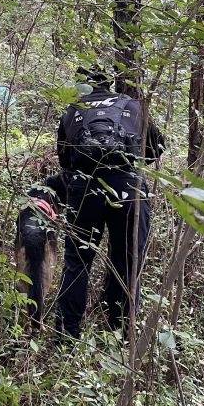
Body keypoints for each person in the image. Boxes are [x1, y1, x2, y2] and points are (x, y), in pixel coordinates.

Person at [55, 65, 165, 339]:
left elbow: (65, 161)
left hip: (85, 187)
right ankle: (120, 332)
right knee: (127, 261)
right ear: (109, 83)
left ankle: (67, 335)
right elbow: (156, 147)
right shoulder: (131, 105)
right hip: (129, 187)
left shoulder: (72, 110)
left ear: (82, 85)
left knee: (77, 262)